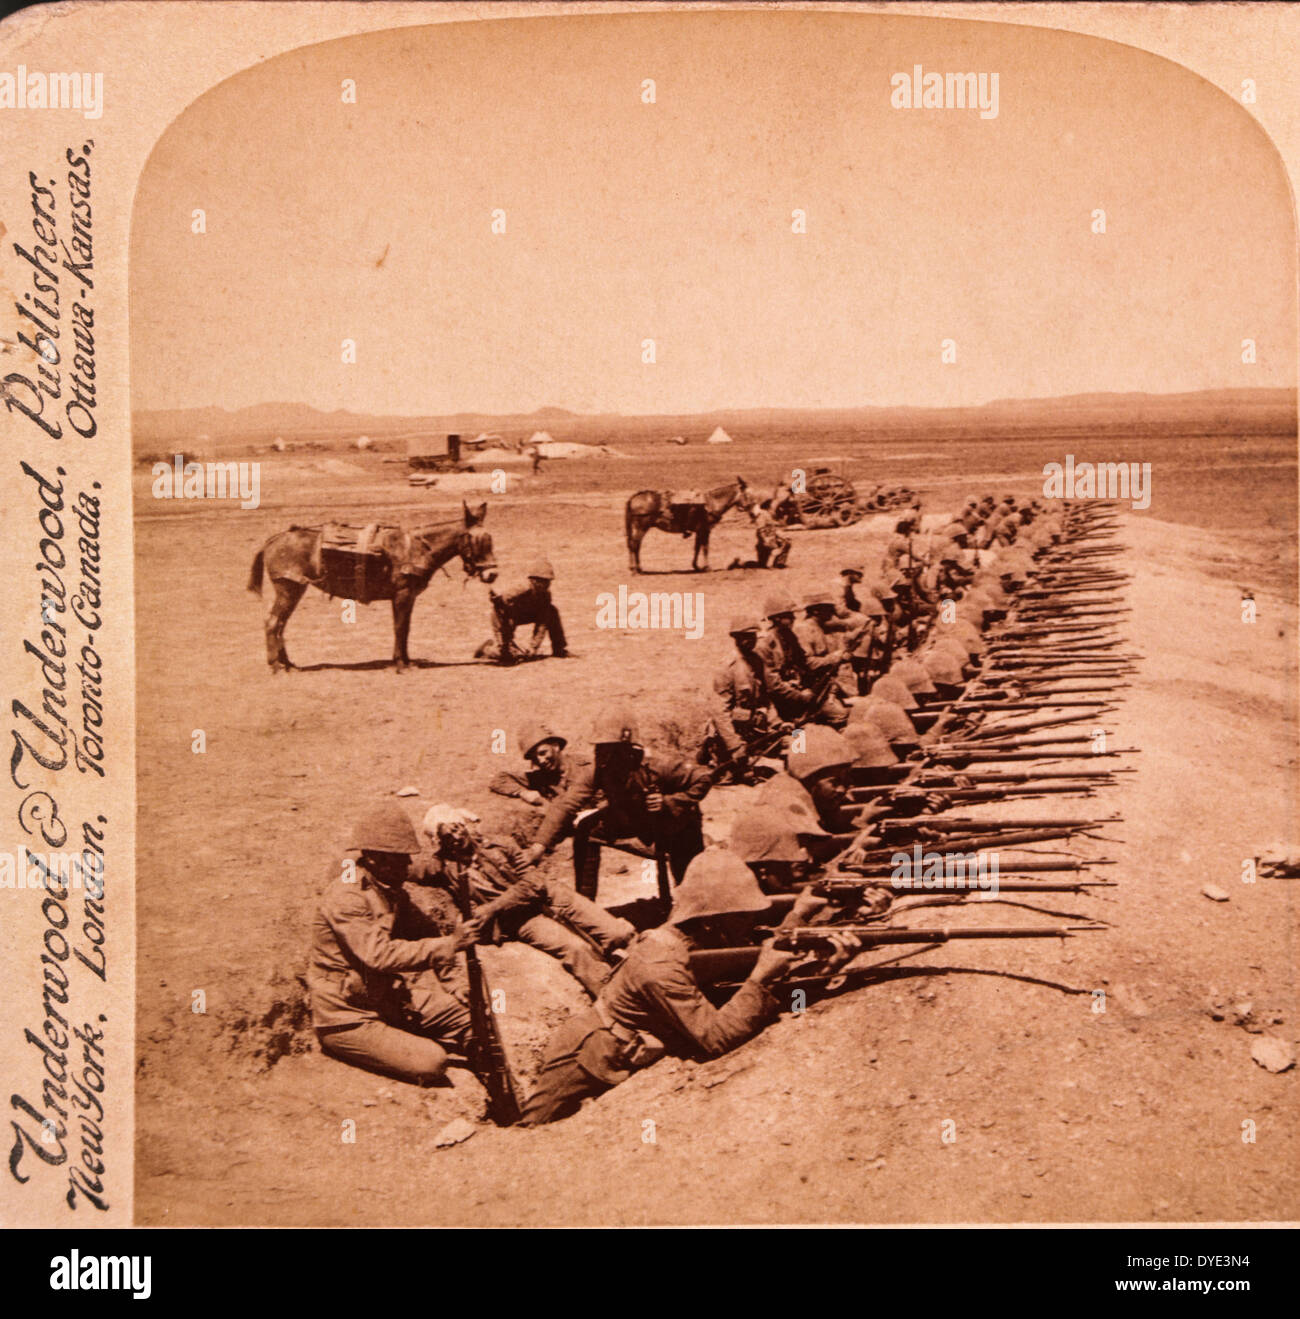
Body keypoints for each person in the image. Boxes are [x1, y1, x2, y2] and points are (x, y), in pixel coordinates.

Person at [518, 850, 840, 1126]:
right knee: (532, 1130)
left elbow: (761, 959)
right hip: (588, 1057)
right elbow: (715, 1039)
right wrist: (759, 980)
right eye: (742, 917)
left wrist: (802, 923)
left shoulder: (693, 943)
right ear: (712, 922)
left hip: (623, 1046)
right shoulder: (662, 965)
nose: (751, 925)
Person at [308, 803, 478, 1086]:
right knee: (433, 1061)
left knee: (471, 1019)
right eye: (400, 859)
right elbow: (379, 956)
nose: (408, 866)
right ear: (375, 859)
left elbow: (427, 931)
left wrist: (454, 983)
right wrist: (452, 943)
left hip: (388, 998)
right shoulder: (347, 896)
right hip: (349, 1017)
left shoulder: (388, 888)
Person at [419, 805, 633, 998]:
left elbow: (534, 882)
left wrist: (492, 907)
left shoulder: (500, 845)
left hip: (550, 896)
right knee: (577, 949)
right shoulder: (444, 867)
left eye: (457, 829)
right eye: (447, 837)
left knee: (618, 933)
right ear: (440, 843)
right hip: (520, 919)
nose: (456, 837)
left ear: (464, 825)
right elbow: (413, 870)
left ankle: (633, 969)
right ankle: (614, 1000)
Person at [571, 712, 711, 887]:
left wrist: (669, 802)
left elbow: (703, 778)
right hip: (637, 822)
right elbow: (567, 803)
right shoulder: (602, 769)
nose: (604, 754)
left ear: (626, 747)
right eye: (600, 747)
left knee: (689, 884)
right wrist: (539, 846)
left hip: (678, 826)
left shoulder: (658, 763)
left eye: (610, 748)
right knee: (587, 829)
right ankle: (585, 906)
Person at [701, 616, 781, 775]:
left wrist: (778, 723)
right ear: (736, 638)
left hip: (756, 729)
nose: (751, 641)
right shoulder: (727, 667)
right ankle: (711, 754)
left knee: (796, 740)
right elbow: (719, 712)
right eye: (746, 637)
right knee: (737, 775)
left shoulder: (757, 661)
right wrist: (735, 746)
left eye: (753, 636)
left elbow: (766, 698)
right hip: (731, 735)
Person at [755, 593, 849, 728]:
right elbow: (773, 685)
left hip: (794, 693)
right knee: (798, 732)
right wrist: (800, 696)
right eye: (789, 616)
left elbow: (804, 663)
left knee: (837, 716)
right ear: (776, 618)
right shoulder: (765, 645)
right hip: (777, 701)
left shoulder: (789, 636)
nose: (793, 618)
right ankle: (797, 747)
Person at [476, 558, 568, 664]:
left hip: (524, 615)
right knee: (507, 656)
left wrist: (534, 647)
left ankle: (559, 648)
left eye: (548, 581)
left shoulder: (545, 596)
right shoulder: (521, 589)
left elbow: (542, 623)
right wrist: (505, 639)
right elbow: (500, 609)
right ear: (534, 580)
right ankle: (486, 650)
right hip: (506, 617)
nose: (547, 585)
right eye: (544, 581)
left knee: (552, 611)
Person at [489, 724, 574, 807]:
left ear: (556, 746)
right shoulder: (541, 777)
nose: (541, 761)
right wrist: (523, 792)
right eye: (534, 758)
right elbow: (499, 779)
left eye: (543, 753)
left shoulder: (582, 768)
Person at [750, 500, 791, 569]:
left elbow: (774, 529)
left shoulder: (768, 515)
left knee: (786, 543)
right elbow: (760, 529)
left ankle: (779, 564)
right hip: (765, 542)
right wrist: (766, 540)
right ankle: (776, 563)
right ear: (768, 507)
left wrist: (783, 536)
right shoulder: (762, 515)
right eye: (771, 506)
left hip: (770, 539)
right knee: (761, 565)